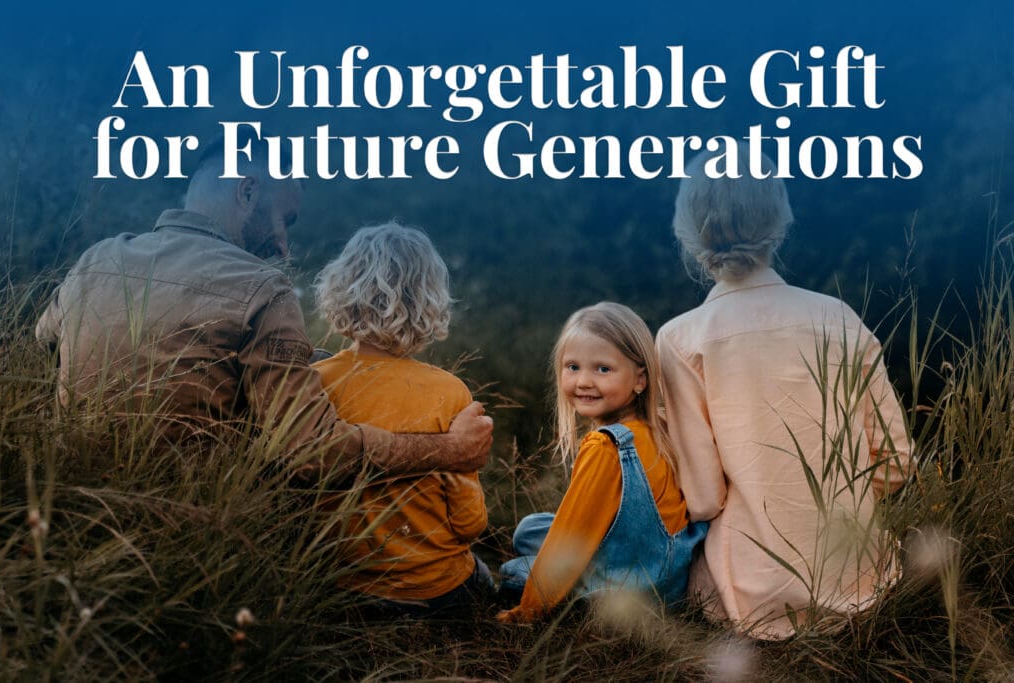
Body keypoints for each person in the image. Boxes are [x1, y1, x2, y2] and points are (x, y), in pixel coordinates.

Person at [34, 139, 492, 477]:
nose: (282, 244)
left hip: (68, 497)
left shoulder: (97, 258)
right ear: (247, 192)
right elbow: (313, 452)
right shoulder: (260, 288)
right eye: (283, 221)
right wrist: (451, 450)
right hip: (191, 529)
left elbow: (47, 342)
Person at [656, 144, 913, 639]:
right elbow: (896, 462)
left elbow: (705, 500)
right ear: (780, 221)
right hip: (862, 582)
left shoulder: (681, 339)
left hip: (748, 597)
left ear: (688, 234)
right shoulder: (839, 318)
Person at [312, 222, 495, 615]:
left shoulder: (314, 383)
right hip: (437, 593)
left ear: (340, 291)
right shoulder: (450, 393)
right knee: (489, 576)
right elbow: (469, 523)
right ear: (429, 301)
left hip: (343, 593)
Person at [497, 302, 707, 622]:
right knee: (529, 529)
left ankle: (581, 599)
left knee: (514, 572)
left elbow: (573, 535)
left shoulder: (605, 447)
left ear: (640, 379)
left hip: (628, 589)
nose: (583, 381)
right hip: (665, 573)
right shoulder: (657, 427)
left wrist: (527, 611)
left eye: (602, 369)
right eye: (573, 367)